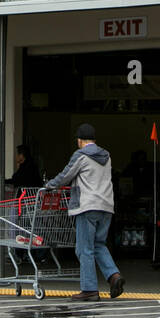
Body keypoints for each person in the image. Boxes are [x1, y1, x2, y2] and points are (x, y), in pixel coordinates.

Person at [43, 122, 124, 301]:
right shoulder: (107, 156)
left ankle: (89, 289)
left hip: (87, 206)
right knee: (99, 245)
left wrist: (50, 185)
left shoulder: (81, 155)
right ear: (94, 140)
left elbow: (66, 175)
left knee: (84, 249)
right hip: (106, 207)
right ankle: (114, 276)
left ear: (80, 140)